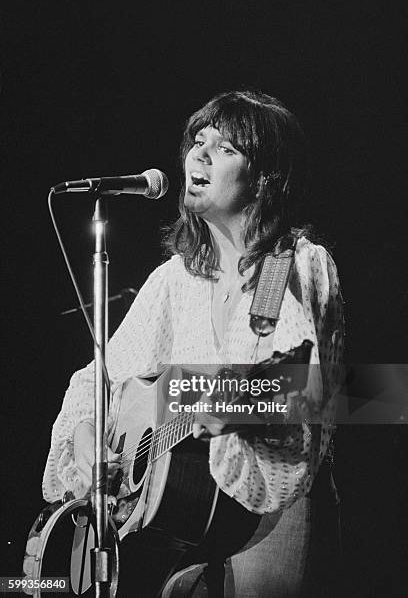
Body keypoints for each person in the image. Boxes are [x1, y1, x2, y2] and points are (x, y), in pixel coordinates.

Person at [42, 90, 344, 597]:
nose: (198, 155)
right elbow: (96, 379)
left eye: (225, 148)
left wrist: (219, 403)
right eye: (197, 141)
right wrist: (94, 443)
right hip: (182, 525)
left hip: (266, 514)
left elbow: (296, 388)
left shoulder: (287, 265)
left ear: (265, 178)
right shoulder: (175, 279)